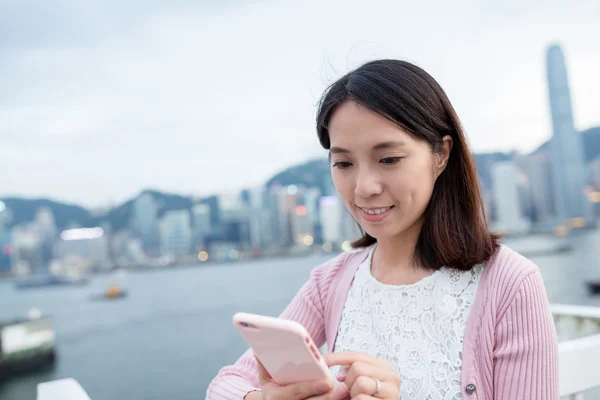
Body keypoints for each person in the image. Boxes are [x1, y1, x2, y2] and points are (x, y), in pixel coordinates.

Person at [206, 59, 558, 400]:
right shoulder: (329, 283)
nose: (363, 187)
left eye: (388, 159)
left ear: (441, 154)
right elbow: (226, 384)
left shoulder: (510, 284)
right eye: (343, 163)